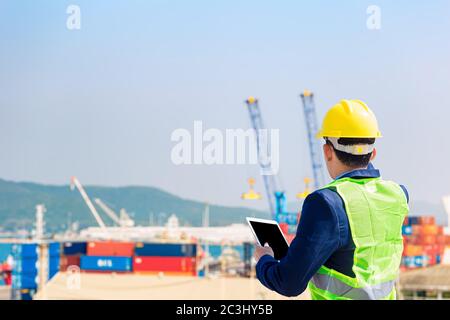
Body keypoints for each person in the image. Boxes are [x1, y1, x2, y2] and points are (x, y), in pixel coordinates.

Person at [254, 99, 409, 300]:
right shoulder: (398, 195)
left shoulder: (326, 203)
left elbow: (289, 283)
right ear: (373, 153)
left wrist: (264, 260)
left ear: (327, 151)